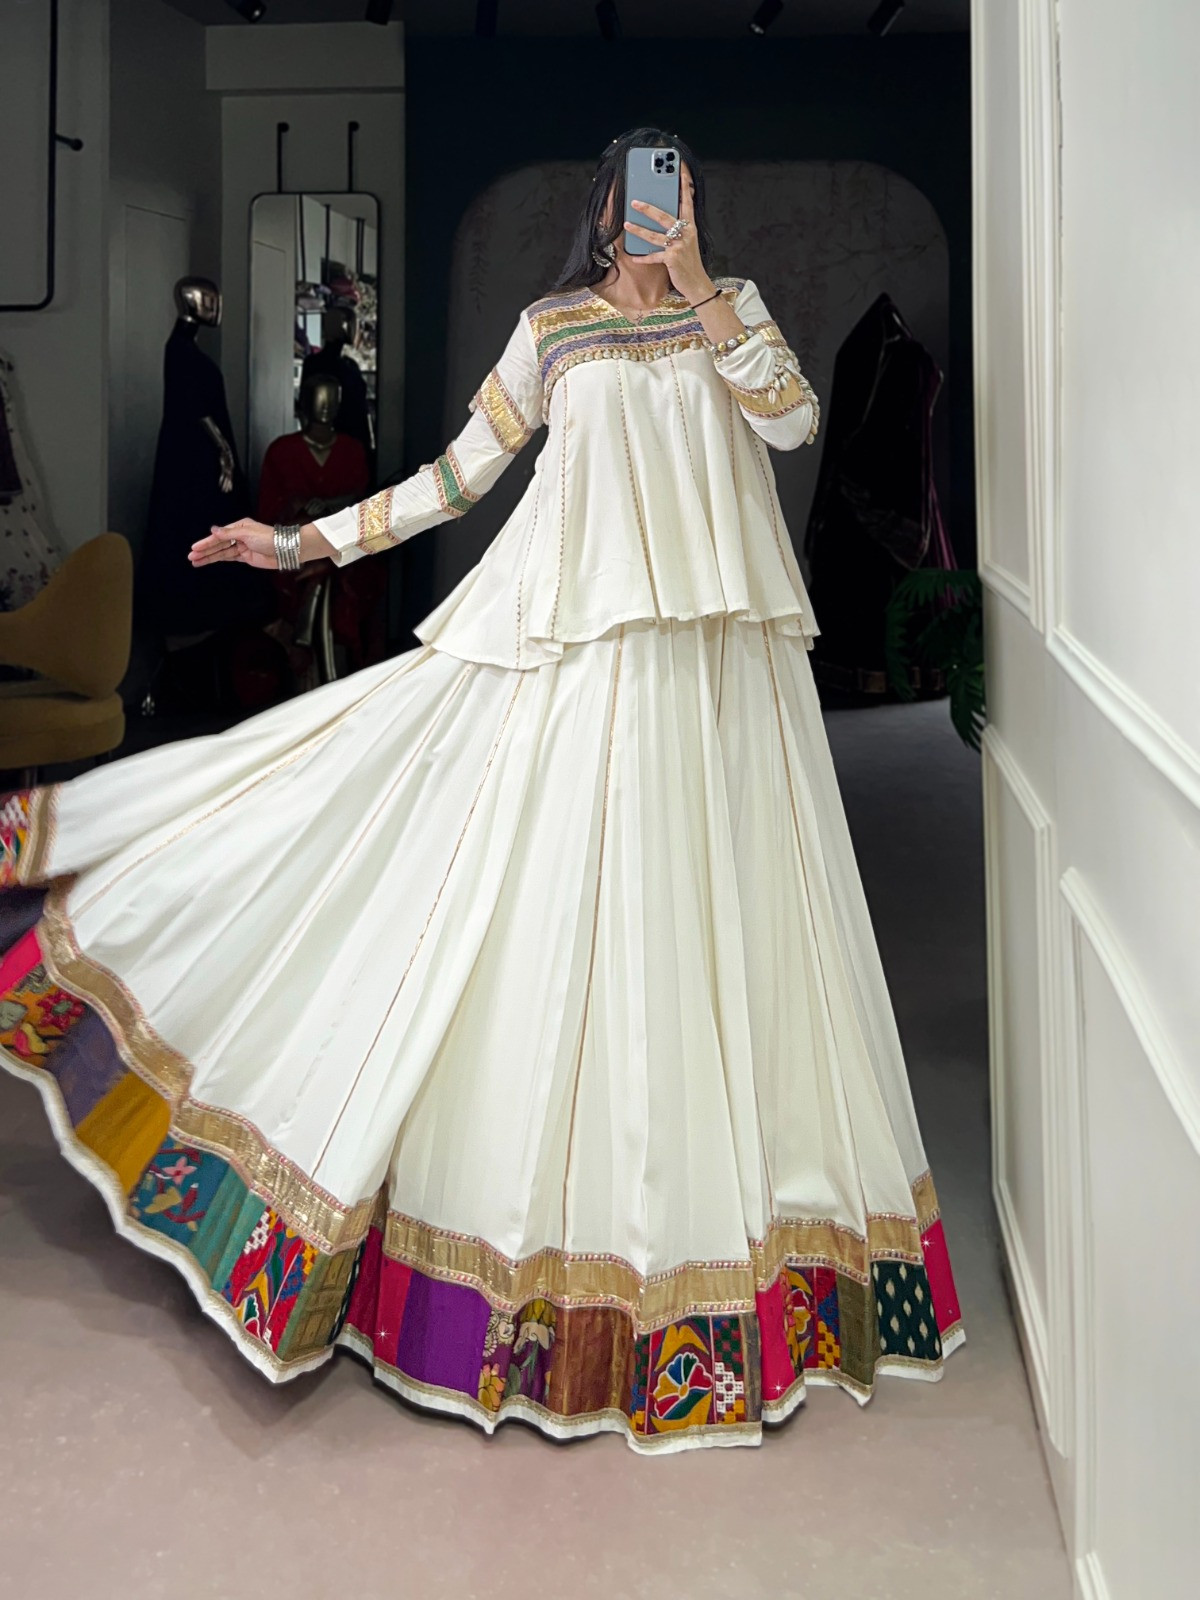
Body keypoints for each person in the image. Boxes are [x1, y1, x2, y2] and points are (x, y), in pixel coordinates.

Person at [0, 128, 962, 1455]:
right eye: (636, 192)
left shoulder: (730, 310)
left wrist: (702, 293)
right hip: (583, 668)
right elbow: (455, 481)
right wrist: (298, 541)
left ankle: (722, 1266)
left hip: (722, 687)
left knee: (728, 938)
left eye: (677, 190)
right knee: (562, 929)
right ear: (602, 206)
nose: (655, 209)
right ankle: (545, 1275)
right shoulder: (552, 331)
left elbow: (792, 421)